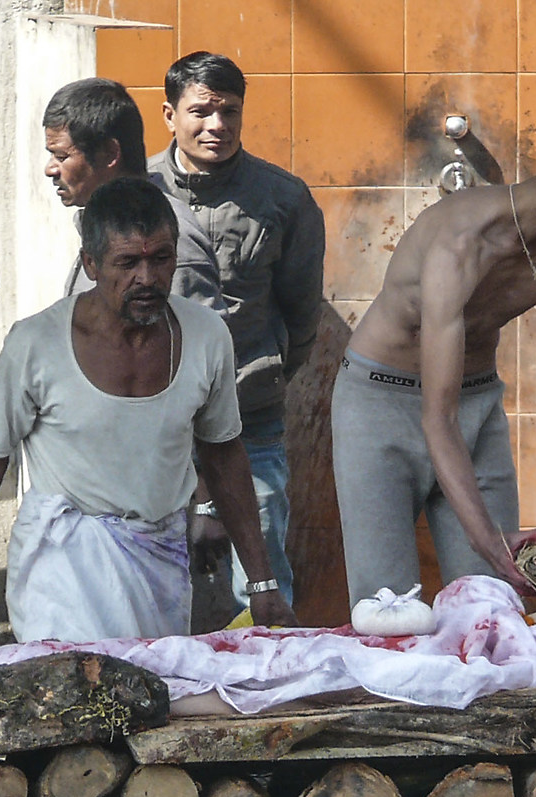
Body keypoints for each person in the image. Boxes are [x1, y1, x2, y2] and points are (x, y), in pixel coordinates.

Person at [0, 177, 294, 644]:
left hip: (159, 557)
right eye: (127, 262)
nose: (148, 278)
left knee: (151, 699)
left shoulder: (207, 335)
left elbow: (224, 455)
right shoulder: (36, 343)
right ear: (91, 264)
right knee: (77, 690)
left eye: (161, 259)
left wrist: (262, 583)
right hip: (61, 561)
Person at [335, 118, 536, 603]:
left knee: (493, 603)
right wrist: (486, 539)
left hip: (476, 404)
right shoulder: (462, 238)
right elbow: (436, 415)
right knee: (389, 612)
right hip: (380, 402)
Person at [149, 52, 325, 607]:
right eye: (201, 111)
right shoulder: (138, 193)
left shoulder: (284, 199)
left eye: (230, 112)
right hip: (153, 429)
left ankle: (277, 691)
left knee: (264, 580)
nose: (217, 126)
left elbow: (301, 318)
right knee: (152, 579)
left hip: (252, 425)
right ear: (169, 114)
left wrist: (261, 375)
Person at [41, 78, 217, 305]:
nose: (50, 169)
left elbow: (202, 334)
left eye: (62, 156)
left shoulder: (169, 235)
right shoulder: (102, 222)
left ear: (109, 153)